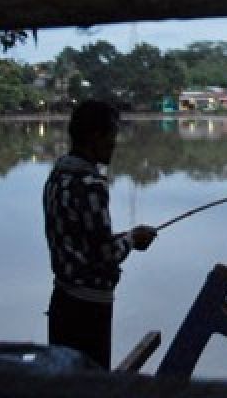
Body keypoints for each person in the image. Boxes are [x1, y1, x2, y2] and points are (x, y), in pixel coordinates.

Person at [43, 100, 156, 368]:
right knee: (92, 379)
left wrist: (124, 236)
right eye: (111, 136)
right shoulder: (90, 185)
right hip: (89, 307)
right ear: (95, 137)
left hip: (62, 300)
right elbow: (106, 255)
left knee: (65, 382)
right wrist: (133, 239)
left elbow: (82, 241)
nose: (115, 144)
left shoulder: (57, 178)